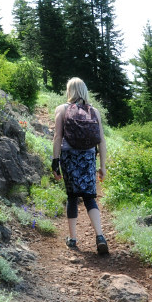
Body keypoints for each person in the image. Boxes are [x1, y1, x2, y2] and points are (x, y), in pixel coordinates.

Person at [51, 77, 109, 254]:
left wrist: (55, 162)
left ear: (69, 91)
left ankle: (73, 238)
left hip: (69, 157)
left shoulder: (62, 109)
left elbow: (57, 137)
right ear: (84, 91)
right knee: (90, 197)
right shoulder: (94, 111)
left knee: (72, 197)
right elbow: (102, 141)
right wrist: (103, 166)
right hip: (89, 157)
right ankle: (100, 236)